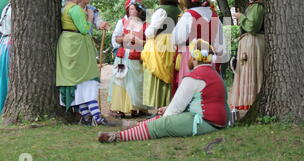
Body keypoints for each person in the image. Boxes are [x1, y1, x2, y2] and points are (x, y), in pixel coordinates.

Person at [98, 39, 229, 143]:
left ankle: (119, 136)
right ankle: (137, 127)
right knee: (163, 116)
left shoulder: (194, 77)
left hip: (205, 121)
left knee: (163, 123)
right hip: (218, 120)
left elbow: (176, 108)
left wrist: (165, 117)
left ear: (194, 58)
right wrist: (167, 109)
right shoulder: (215, 74)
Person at [56, 0, 113, 126]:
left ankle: (87, 117)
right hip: (78, 45)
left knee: (79, 82)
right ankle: (96, 117)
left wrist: (98, 22)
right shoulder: (74, 9)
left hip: (69, 44)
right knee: (88, 79)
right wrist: (90, 18)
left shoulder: (64, 7)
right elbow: (84, 28)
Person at [172, 0, 225, 93]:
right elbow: (220, 42)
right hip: (209, 56)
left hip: (191, 55)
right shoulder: (214, 16)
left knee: (190, 87)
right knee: (207, 87)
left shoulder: (189, 15)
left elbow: (178, 38)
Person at [108, 0, 149, 118]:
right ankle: (120, 108)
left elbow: (149, 42)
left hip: (136, 56)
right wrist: (125, 38)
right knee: (121, 80)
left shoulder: (145, 25)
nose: (132, 11)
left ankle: (137, 107)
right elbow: (116, 38)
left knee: (137, 82)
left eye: (134, 9)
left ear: (139, 10)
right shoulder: (122, 22)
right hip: (123, 56)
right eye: (130, 9)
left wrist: (139, 41)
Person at [142, 0, 181, 109]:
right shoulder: (179, 10)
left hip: (161, 43)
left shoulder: (161, 10)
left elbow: (151, 31)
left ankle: (157, 105)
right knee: (169, 72)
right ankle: (168, 104)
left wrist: (147, 32)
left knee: (157, 71)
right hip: (174, 42)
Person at [230, 0, 265, 111]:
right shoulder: (254, 6)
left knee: (251, 71)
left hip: (254, 43)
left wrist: (241, 17)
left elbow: (253, 26)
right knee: (248, 70)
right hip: (251, 43)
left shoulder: (257, 6)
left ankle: (251, 100)